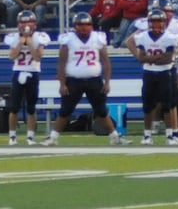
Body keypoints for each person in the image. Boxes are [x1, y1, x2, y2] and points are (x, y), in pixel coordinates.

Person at [44, 12, 121, 146]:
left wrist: (107, 81)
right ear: (75, 26)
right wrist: (62, 83)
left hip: (94, 80)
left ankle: (115, 137)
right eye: (80, 25)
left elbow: (106, 62)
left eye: (87, 24)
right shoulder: (68, 39)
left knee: (101, 110)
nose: (84, 28)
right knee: (65, 110)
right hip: (74, 80)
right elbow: (61, 62)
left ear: (91, 26)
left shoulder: (98, 38)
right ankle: (53, 138)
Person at [127, 8, 178, 145]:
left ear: (164, 22)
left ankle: (170, 135)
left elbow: (168, 58)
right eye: (153, 21)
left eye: (159, 21)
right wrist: (158, 58)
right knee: (148, 106)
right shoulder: (142, 36)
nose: (156, 24)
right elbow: (141, 58)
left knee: (167, 106)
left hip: (165, 73)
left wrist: (151, 58)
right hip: (149, 73)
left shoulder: (170, 37)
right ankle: (147, 135)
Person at [5, 9, 51, 145]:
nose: (26, 25)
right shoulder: (13, 37)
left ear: (34, 24)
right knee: (14, 107)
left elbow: (37, 57)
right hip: (18, 71)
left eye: (29, 22)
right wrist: (21, 42)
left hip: (33, 72)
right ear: (18, 24)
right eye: (23, 22)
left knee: (31, 107)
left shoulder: (40, 36)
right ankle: (12, 136)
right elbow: (12, 56)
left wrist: (30, 42)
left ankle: (30, 136)